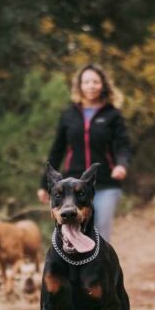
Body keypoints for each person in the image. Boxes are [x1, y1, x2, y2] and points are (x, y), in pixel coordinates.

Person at [40, 64, 133, 242]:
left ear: (103, 85)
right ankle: (76, 268)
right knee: (72, 229)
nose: (91, 86)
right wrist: (44, 184)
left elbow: (123, 145)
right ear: (80, 86)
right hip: (72, 185)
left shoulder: (113, 115)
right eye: (86, 82)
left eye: (95, 82)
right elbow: (57, 149)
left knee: (100, 231)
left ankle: (99, 268)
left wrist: (121, 164)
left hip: (105, 183)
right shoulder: (69, 115)